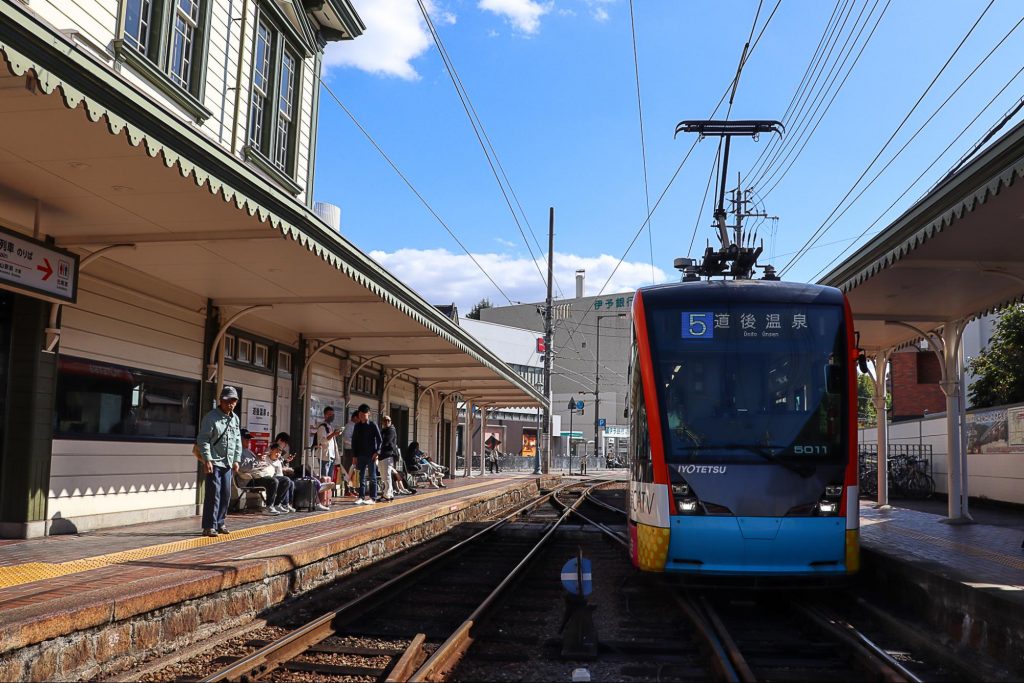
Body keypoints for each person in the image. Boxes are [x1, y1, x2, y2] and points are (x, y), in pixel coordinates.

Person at [197, 386, 243, 537]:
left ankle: (220, 522)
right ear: (221, 401)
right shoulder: (211, 417)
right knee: (213, 494)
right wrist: (207, 459)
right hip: (214, 461)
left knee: (225, 494)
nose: (230, 403)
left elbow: (237, 441)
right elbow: (203, 439)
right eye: (227, 400)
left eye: (233, 401)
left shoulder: (235, 419)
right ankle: (209, 526)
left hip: (228, 462)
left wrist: (236, 459)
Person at [238, 430, 285, 515]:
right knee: (273, 481)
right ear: (239, 439)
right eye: (246, 439)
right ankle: (268, 507)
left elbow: (255, 463)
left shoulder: (248, 451)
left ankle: (277, 504)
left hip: (258, 475)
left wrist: (261, 461)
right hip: (249, 479)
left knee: (285, 480)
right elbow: (243, 467)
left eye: (249, 439)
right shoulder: (238, 452)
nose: (248, 441)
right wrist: (257, 460)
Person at [351, 404, 382, 505]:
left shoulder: (373, 425)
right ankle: (361, 497)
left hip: (371, 455)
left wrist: (377, 452)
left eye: (363, 414)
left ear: (368, 414)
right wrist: (354, 456)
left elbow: (380, 440)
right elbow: (354, 441)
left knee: (372, 477)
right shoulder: (357, 426)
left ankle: (373, 498)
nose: (361, 416)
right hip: (360, 455)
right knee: (361, 477)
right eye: (360, 414)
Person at [314, 406, 342, 480]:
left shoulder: (329, 426)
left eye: (333, 415)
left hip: (331, 456)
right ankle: (323, 491)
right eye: (330, 414)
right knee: (324, 477)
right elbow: (322, 441)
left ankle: (328, 491)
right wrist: (333, 434)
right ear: (325, 415)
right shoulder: (322, 427)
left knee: (330, 478)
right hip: (324, 455)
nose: (332, 416)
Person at [268, 444, 296, 512]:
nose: (278, 454)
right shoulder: (266, 459)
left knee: (291, 482)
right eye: (276, 452)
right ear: (271, 451)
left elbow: (280, 474)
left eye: (279, 453)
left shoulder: (278, 461)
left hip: (278, 477)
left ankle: (287, 504)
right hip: (270, 477)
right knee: (286, 481)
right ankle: (279, 504)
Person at [378, 415, 399, 501]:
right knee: (383, 475)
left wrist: (377, 449)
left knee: (387, 475)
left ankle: (388, 493)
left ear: (391, 421)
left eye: (388, 420)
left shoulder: (391, 430)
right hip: (382, 455)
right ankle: (387, 493)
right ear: (382, 422)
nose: (386, 422)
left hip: (388, 455)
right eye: (384, 420)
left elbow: (386, 441)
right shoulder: (383, 430)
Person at [340, 410, 359, 496]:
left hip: (355, 451)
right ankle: (347, 489)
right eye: (359, 417)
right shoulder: (349, 426)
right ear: (355, 417)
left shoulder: (356, 426)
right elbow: (346, 439)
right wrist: (356, 443)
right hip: (349, 451)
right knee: (349, 470)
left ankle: (353, 488)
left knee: (355, 470)